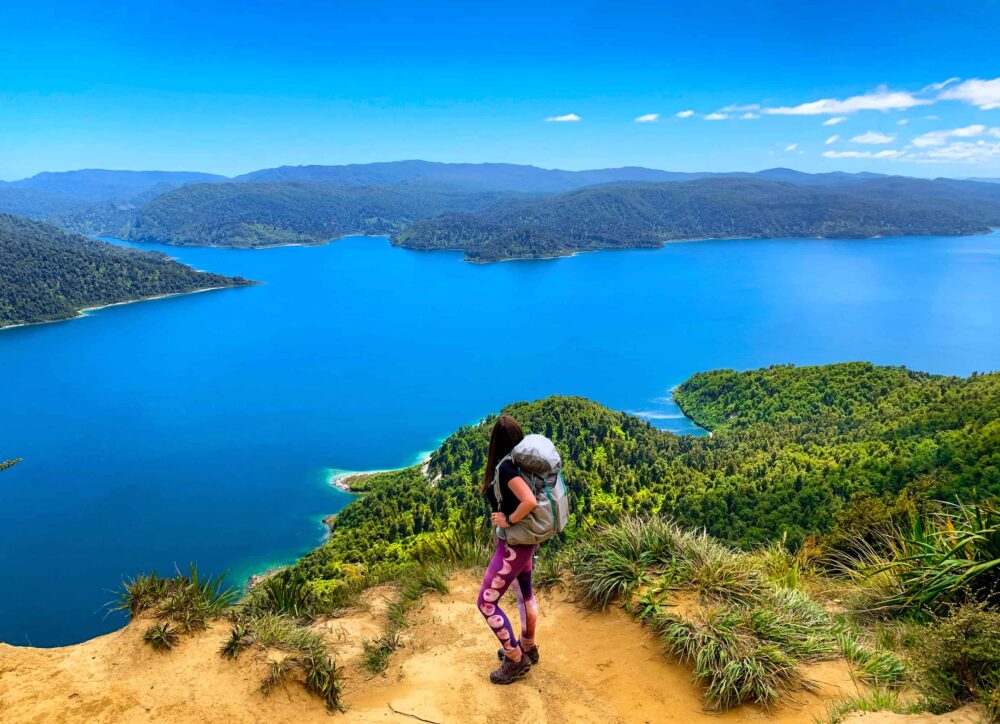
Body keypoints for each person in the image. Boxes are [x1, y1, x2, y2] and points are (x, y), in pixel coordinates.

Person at [476, 414, 540, 685]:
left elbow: (530, 501)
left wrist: (508, 519)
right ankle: (528, 646)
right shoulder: (518, 465)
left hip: (513, 545)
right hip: (525, 544)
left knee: (486, 602)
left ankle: (515, 659)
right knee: (524, 592)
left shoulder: (505, 469)